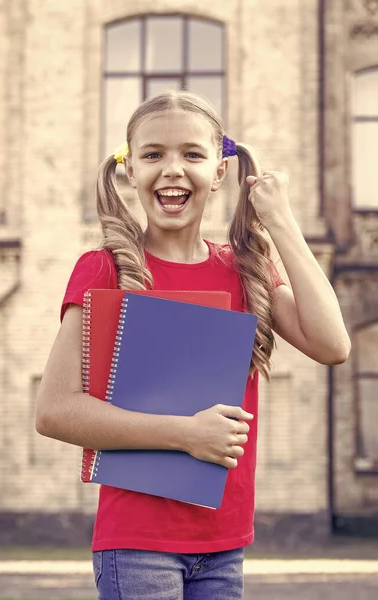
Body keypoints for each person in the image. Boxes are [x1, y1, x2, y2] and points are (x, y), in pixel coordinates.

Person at [35, 90, 351, 600]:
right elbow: (54, 411)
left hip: (225, 544)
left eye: (193, 154)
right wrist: (185, 434)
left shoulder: (245, 270)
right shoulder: (105, 269)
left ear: (220, 173)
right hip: (137, 545)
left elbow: (333, 345)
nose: (173, 169)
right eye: (153, 155)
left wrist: (281, 221)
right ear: (130, 170)